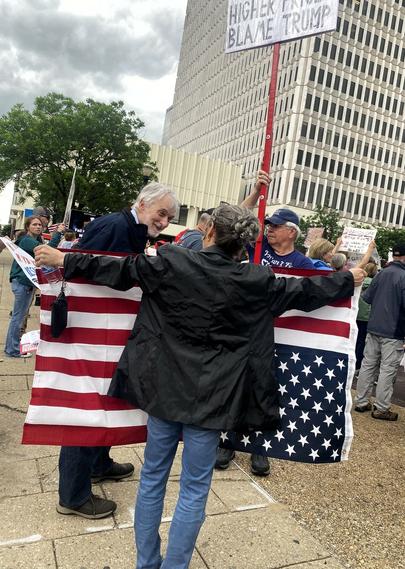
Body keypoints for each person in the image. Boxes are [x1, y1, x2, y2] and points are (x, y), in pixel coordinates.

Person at [35, 203, 364, 569]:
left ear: (209, 233)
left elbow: (118, 269)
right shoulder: (256, 279)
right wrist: (350, 278)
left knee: (153, 479)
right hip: (214, 399)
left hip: (164, 391)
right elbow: (306, 292)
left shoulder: (172, 260)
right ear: (243, 245)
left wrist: (64, 259)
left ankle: (148, 563)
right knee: (194, 487)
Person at [55, 181, 179, 521]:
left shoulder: (130, 228)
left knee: (107, 399)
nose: (165, 222)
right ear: (142, 203)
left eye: (169, 217)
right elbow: (83, 270)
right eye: (161, 213)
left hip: (109, 334)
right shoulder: (114, 226)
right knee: (87, 406)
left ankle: (98, 462)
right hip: (93, 336)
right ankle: (73, 494)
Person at [216, 174, 314, 477]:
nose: (269, 229)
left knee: (269, 391)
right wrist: (256, 192)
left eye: (275, 226)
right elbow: (235, 220)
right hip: (245, 331)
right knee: (235, 385)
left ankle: (260, 447)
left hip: (280, 337)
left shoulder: (305, 265)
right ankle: (227, 441)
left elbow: (318, 292)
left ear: (292, 232)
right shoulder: (256, 249)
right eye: (267, 225)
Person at [354, 242, 405, 421]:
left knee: (368, 365)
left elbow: (367, 298)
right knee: (387, 369)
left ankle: (361, 401)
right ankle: (382, 407)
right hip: (394, 330)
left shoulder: (381, 274)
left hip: (374, 326)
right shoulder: (403, 276)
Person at [4, 216, 63, 358]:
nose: (38, 227)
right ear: (28, 227)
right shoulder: (26, 241)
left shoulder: (34, 241)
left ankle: (13, 346)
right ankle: (12, 350)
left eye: (40, 225)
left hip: (26, 284)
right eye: (34, 224)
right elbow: (48, 250)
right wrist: (58, 233)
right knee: (18, 317)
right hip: (23, 283)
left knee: (19, 316)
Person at [355, 262, 378, 372]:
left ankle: (353, 361)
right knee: (363, 341)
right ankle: (359, 364)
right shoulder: (375, 283)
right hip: (367, 316)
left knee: (355, 338)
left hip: (356, 314)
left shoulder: (358, 281)